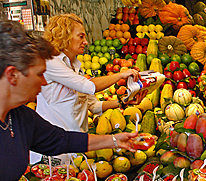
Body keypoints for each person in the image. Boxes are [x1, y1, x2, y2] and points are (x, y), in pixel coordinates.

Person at [0, 21, 138, 181]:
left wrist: (116, 140)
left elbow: (60, 140)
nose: (44, 83)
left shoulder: (20, 118)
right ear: (12, 75)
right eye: (40, 74)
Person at [31, 14, 144, 163]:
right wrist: (121, 75)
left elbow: (94, 106)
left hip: (75, 146)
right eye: (81, 36)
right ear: (64, 37)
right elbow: (89, 87)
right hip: (54, 152)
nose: (85, 42)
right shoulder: (51, 63)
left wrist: (124, 101)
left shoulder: (76, 67)